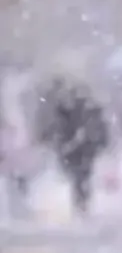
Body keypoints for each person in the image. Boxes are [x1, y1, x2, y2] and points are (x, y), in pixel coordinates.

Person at [35, 75, 109, 214]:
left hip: (84, 148)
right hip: (78, 148)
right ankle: (81, 201)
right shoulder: (70, 109)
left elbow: (97, 128)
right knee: (79, 175)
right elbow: (58, 125)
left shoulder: (86, 110)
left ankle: (81, 202)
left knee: (81, 175)